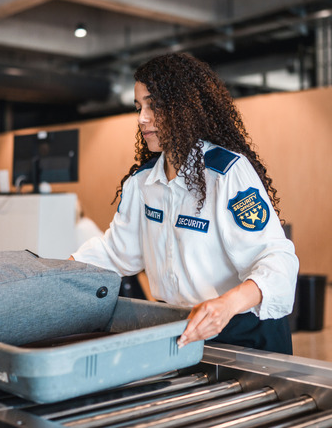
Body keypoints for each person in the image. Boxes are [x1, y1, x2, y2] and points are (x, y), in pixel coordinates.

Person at [71, 53, 299, 353]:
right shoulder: (142, 183)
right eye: (139, 107)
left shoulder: (227, 173)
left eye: (155, 106)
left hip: (243, 333)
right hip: (182, 329)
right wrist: (59, 271)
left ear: (184, 108)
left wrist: (226, 304)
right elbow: (115, 252)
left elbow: (277, 259)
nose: (142, 118)